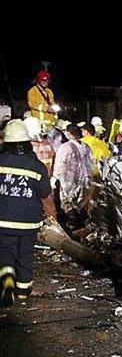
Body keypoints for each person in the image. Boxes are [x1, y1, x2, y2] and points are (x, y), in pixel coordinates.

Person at [0, 120, 52, 307]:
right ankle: (22, 293)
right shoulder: (36, 166)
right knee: (25, 256)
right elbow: (45, 193)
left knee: (5, 255)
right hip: (29, 222)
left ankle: (6, 282)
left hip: (3, 221)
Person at [52, 124, 93, 227]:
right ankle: (81, 224)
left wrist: (55, 177)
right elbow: (90, 163)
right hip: (84, 181)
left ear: (69, 133)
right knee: (81, 203)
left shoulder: (66, 147)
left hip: (69, 181)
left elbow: (60, 164)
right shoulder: (86, 146)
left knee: (69, 204)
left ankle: (72, 226)